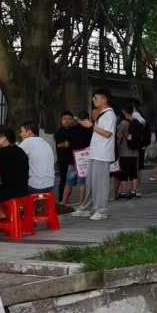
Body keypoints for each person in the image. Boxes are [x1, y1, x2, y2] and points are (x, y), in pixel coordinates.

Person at [71, 90, 115, 221]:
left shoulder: (109, 115)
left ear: (104, 100)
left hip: (102, 154)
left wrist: (90, 126)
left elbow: (107, 133)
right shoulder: (102, 114)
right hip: (95, 153)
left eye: (96, 98)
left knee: (100, 184)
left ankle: (101, 210)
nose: (94, 100)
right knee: (91, 183)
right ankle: (86, 208)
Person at [116, 100, 145, 200]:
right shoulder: (137, 122)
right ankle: (133, 191)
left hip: (124, 152)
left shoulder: (123, 123)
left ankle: (123, 192)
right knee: (134, 172)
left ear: (124, 112)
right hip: (135, 152)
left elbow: (119, 137)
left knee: (124, 173)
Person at [62, 111, 92, 208]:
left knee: (68, 182)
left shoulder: (71, 129)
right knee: (83, 183)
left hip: (73, 159)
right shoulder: (91, 130)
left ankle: (63, 203)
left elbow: (66, 144)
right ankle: (81, 203)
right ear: (88, 118)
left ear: (78, 119)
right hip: (85, 159)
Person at [17, 122, 55, 193]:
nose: (20, 134)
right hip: (50, 185)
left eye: (22, 131)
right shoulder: (45, 143)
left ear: (29, 132)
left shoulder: (28, 141)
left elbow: (12, 155)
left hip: (35, 187)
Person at [53, 110, 76, 202]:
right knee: (63, 180)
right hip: (63, 159)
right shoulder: (59, 132)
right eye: (64, 119)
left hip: (73, 158)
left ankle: (66, 198)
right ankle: (61, 199)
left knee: (70, 180)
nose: (67, 121)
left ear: (72, 120)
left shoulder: (73, 130)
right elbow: (60, 144)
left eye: (69, 119)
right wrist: (70, 143)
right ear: (61, 121)